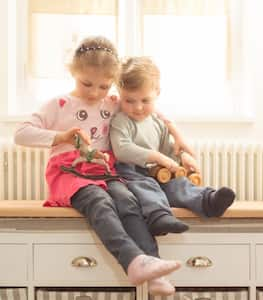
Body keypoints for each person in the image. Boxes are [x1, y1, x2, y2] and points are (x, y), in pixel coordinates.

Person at [14, 37, 182, 296]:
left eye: (104, 86)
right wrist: (59, 137)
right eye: (86, 83)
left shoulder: (112, 102)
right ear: (73, 72)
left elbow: (150, 110)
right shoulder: (58, 105)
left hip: (104, 170)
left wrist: (177, 136)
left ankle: (153, 269)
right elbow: (21, 134)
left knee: (127, 199)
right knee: (99, 201)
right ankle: (132, 261)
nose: (94, 93)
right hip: (69, 173)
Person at [110, 56, 236, 235]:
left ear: (157, 92)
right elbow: (122, 149)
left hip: (157, 170)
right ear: (120, 94)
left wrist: (181, 157)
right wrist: (156, 157)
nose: (137, 107)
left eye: (145, 101)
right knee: (145, 186)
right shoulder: (121, 121)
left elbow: (166, 148)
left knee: (178, 184)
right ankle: (158, 217)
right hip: (131, 172)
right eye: (129, 101)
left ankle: (208, 201)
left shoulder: (157, 122)